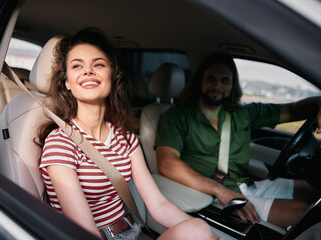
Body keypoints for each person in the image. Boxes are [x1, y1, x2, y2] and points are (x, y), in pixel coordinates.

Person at [37, 28, 216, 240]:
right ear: (67, 81)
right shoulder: (61, 143)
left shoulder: (127, 139)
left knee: (199, 228)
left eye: (99, 64)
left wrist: (210, 236)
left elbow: (158, 205)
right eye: (77, 66)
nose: (88, 71)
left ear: (112, 75)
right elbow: (85, 232)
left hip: (132, 232)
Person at [155, 52, 321, 229]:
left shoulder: (243, 114)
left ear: (233, 84)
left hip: (246, 184)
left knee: (314, 193)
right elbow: (167, 163)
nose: (217, 85)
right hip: (211, 194)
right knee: (303, 215)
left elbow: (295, 110)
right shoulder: (176, 117)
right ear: (200, 81)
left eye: (225, 80)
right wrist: (221, 191)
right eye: (211, 79)